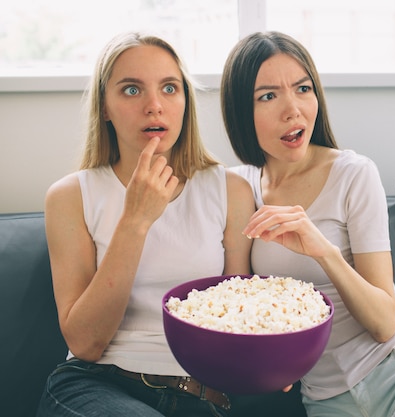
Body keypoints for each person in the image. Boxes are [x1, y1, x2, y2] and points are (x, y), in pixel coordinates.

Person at [221, 31, 395, 417]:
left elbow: (383, 323)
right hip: (327, 394)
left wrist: (322, 249)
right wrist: (266, 361)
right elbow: (236, 304)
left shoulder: (353, 173)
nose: (292, 109)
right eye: (267, 96)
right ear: (241, 110)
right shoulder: (241, 187)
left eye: (302, 88)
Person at [36, 32, 256, 417]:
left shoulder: (230, 190)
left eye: (170, 88)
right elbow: (86, 343)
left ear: (185, 101)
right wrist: (135, 222)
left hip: (199, 395)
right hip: (96, 382)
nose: (154, 106)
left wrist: (274, 362)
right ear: (105, 106)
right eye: (131, 90)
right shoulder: (70, 196)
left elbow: (236, 321)